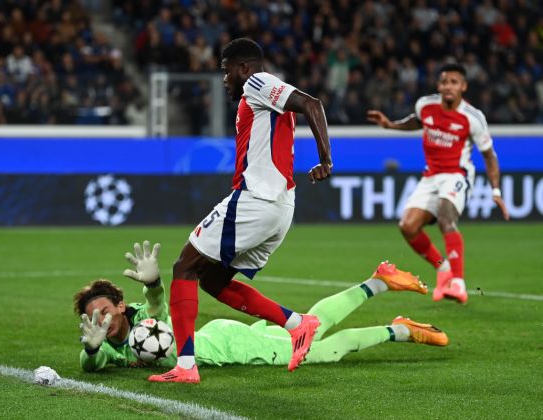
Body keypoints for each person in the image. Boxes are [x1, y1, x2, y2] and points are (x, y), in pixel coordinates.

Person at [143, 38, 333, 383]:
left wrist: (325, 159)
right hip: (278, 207)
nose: (224, 79)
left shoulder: (259, 83)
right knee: (213, 280)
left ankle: (185, 366)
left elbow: (312, 104)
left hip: (256, 200)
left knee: (184, 266)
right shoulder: (262, 97)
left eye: (226, 70)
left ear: (243, 68)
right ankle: (297, 323)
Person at [75, 241, 448, 373]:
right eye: (93, 317)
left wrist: (155, 283)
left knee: (324, 353)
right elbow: (91, 365)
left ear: (122, 306)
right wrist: (91, 349)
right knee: (314, 322)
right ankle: (380, 281)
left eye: (105, 310)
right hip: (227, 335)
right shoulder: (103, 345)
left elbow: (158, 308)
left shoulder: (144, 318)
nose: (100, 320)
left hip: (235, 347)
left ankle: (399, 328)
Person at [367, 63, 510, 304]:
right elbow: (418, 121)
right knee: (408, 226)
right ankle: (442, 268)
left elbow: (489, 155)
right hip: (430, 176)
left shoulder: (472, 118)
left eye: (454, 82)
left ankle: (458, 283)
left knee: (446, 218)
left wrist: (496, 190)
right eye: (444, 81)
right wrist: (390, 124)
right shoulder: (426, 105)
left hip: (457, 175)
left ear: (463, 86)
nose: (448, 86)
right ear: (438, 85)